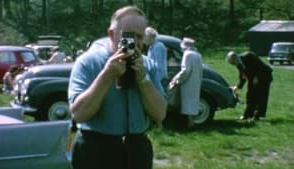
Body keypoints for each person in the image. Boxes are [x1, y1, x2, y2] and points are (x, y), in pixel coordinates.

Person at [68, 6, 167, 169]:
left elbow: (160, 114)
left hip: (137, 148)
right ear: (112, 34)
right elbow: (79, 114)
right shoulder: (87, 63)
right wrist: (106, 75)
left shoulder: (148, 65)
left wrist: (143, 79)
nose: (134, 42)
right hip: (95, 149)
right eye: (128, 35)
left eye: (139, 37)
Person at [226, 51, 273, 120]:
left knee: (261, 97)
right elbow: (243, 76)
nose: (233, 65)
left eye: (232, 63)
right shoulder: (238, 64)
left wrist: (257, 76)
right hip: (253, 78)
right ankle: (248, 115)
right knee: (250, 95)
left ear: (235, 58)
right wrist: (238, 86)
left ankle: (258, 115)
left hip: (264, 76)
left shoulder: (249, 55)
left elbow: (259, 65)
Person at [169, 37, 203, 128]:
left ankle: (190, 122)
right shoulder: (198, 55)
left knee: (186, 102)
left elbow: (185, 70)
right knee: (192, 101)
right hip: (196, 81)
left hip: (187, 82)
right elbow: (200, 70)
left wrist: (178, 79)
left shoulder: (187, 55)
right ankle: (192, 121)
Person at [144, 27, 168, 92]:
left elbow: (158, 65)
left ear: (150, 37)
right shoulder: (152, 47)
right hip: (156, 78)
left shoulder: (158, 46)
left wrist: (154, 80)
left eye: (145, 36)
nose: (143, 39)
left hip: (160, 79)